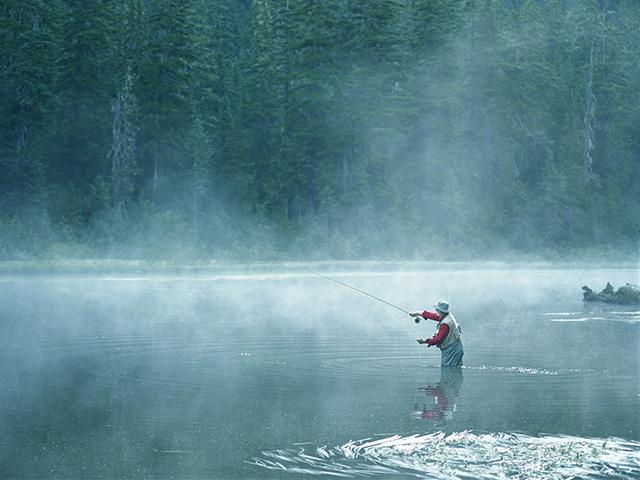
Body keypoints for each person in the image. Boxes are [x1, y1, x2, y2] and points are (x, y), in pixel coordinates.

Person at [409, 300, 463, 367]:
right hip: (457, 348)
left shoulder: (445, 324)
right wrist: (416, 313)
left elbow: (438, 339)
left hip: (451, 351)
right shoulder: (446, 316)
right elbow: (432, 315)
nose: (436, 311)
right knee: (455, 373)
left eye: (437, 310)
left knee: (447, 371)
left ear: (441, 311)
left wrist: (424, 341)